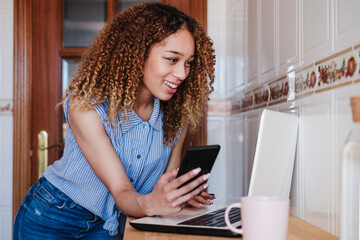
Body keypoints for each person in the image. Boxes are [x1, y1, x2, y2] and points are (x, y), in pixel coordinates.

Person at [13, 2, 216, 239]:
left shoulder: (175, 117)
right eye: (172, 59)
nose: (182, 73)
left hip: (109, 225)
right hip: (52, 216)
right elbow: (122, 191)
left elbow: (160, 188)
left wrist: (175, 196)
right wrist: (155, 202)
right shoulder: (86, 107)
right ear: (137, 54)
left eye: (188, 63)